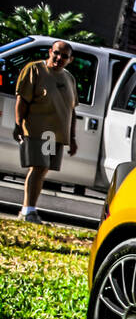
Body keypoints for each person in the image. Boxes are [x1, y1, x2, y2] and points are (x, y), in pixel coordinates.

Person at [12, 42, 78, 224]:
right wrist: (18, 125)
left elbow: (72, 110)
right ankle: (27, 211)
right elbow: (22, 99)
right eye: (56, 53)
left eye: (64, 56)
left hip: (56, 134)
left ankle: (29, 210)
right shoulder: (34, 69)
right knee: (38, 168)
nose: (59, 58)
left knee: (43, 170)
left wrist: (72, 138)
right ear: (50, 52)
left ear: (70, 60)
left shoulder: (69, 78)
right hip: (38, 129)